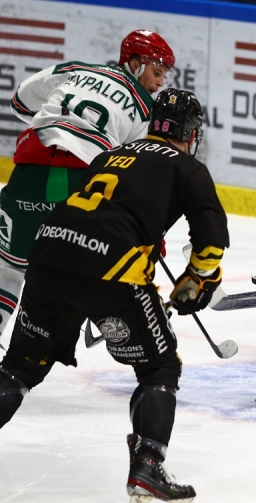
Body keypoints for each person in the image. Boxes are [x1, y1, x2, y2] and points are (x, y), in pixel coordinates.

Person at [0, 88, 228, 501]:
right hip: (110, 270)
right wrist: (198, 280)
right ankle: (148, 467)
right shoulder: (189, 168)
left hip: (48, 256)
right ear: (192, 134)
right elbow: (211, 240)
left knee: (18, 368)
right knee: (159, 368)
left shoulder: (111, 155)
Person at [0, 30, 174, 341]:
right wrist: (151, 233)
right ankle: (114, 322)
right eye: (157, 71)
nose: (160, 82)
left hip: (29, 173)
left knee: (8, 268)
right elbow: (136, 175)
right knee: (81, 269)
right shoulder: (146, 111)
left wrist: (59, 126)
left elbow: (20, 102)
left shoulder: (75, 70)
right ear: (135, 63)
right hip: (81, 182)